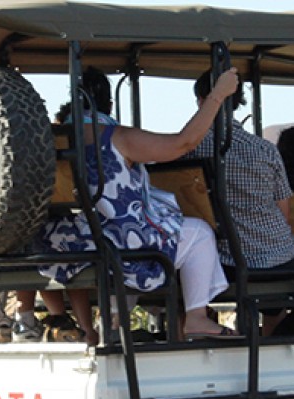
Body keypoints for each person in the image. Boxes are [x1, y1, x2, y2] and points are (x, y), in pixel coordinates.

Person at [39, 67, 239, 339]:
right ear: (109, 105)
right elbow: (184, 143)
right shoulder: (116, 136)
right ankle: (196, 317)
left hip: (66, 241)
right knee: (199, 234)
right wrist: (218, 95)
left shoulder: (49, 139)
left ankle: (111, 322)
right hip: (117, 241)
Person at [183, 70, 294, 335]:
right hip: (278, 262)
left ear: (201, 101)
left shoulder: (188, 148)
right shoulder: (265, 150)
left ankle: (193, 328)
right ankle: (270, 334)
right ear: (236, 102)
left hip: (223, 264)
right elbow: (284, 213)